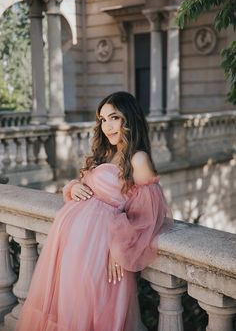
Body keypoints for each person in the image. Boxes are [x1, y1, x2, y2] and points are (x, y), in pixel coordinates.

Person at [16, 91, 172, 331]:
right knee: (67, 307)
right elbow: (90, 188)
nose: (107, 126)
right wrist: (74, 186)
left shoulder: (138, 158)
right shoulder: (106, 153)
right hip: (71, 245)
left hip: (97, 249)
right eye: (102, 119)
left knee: (89, 311)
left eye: (114, 118)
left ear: (129, 119)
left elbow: (148, 215)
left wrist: (118, 246)